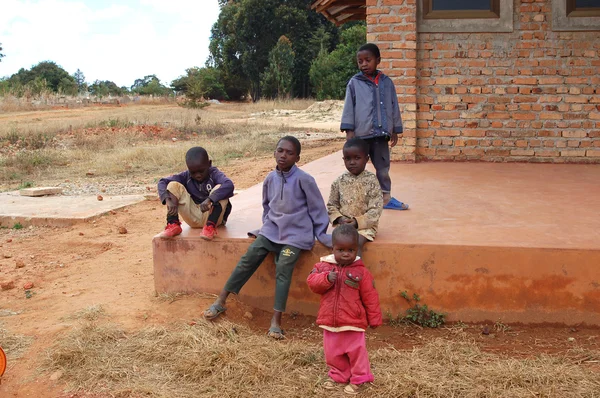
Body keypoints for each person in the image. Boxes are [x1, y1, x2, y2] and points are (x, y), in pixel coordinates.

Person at [203, 136, 332, 339]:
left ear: (297, 157)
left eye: (290, 153)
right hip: (271, 231)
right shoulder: (270, 178)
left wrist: (322, 234)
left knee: (284, 267)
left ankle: (276, 321)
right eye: (280, 150)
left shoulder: (305, 179)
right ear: (274, 152)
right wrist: (267, 226)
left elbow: (317, 209)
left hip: (295, 236)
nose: (284, 155)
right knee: (249, 257)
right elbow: (266, 206)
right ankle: (221, 301)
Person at [307, 224, 382, 395]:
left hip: (353, 322)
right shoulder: (322, 267)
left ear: (357, 250)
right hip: (329, 322)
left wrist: (375, 318)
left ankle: (360, 377)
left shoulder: (361, 272)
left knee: (356, 353)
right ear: (333, 248)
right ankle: (338, 375)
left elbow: (371, 296)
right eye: (340, 249)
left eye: (351, 250)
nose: (346, 254)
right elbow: (312, 283)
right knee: (332, 353)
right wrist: (326, 279)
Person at [340, 42, 409, 211]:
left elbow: (393, 106)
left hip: (381, 135)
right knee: (357, 168)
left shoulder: (387, 83)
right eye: (360, 61)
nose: (364, 64)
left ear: (378, 60)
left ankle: (385, 197)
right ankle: (358, 199)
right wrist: (349, 131)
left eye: (367, 60)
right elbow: (349, 106)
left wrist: (395, 130)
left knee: (383, 168)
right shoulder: (354, 83)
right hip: (361, 136)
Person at [157, 146, 233, 240]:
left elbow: (229, 185)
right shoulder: (186, 176)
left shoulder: (214, 174)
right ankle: (173, 224)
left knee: (220, 188)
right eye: (193, 172)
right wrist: (167, 199)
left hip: (213, 217)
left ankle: (210, 227)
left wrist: (210, 199)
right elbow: (162, 182)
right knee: (173, 185)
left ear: (209, 164)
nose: (198, 175)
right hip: (192, 217)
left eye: (201, 171)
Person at [328, 138, 383, 256]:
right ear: (343, 159)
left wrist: (357, 222)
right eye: (348, 159)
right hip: (343, 226)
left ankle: (356, 273)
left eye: (357, 158)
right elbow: (332, 205)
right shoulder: (339, 181)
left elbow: (376, 209)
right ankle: (337, 272)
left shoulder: (372, 181)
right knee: (337, 245)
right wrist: (340, 219)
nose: (352, 162)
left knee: (354, 244)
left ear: (366, 159)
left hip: (365, 228)